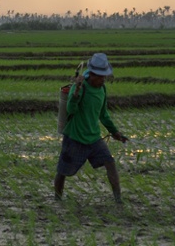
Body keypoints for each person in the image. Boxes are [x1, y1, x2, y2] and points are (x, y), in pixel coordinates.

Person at [54, 53, 128, 204]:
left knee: (110, 163)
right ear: (92, 74)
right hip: (75, 137)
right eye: (100, 76)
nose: (103, 79)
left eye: (104, 76)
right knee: (63, 171)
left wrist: (115, 132)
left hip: (94, 138)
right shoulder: (80, 87)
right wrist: (75, 93)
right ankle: (57, 199)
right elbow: (71, 109)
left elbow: (103, 114)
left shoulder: (102, 89)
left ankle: (118, 200)